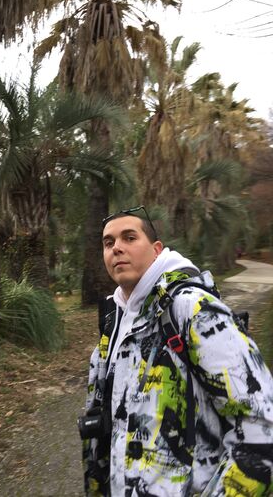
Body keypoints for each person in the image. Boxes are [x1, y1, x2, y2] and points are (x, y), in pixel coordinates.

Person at [80, 206, 273, 496]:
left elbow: (262, 424)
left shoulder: (193, 309)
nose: (116, 248)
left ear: (157, 250)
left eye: (129, 238)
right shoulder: (115, 319)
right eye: (109, 243)